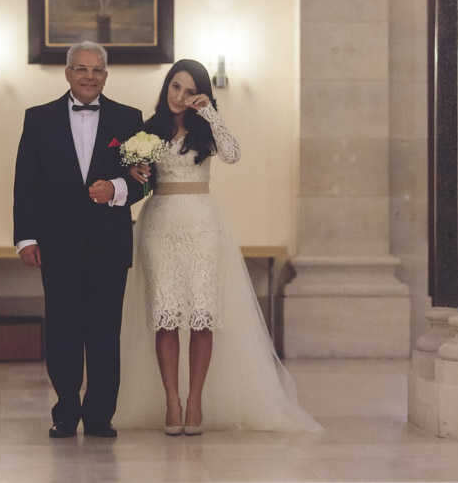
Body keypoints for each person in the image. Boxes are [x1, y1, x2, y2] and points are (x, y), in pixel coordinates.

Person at [115, 59, 323, 435]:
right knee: (165, 316)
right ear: (166, 88)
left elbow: (232, 154)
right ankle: (171, 401)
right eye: (175, 87)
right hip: (159, 223)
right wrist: (132, 170)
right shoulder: (148, 129)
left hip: (203, 226)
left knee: (202, 315)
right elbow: (133, 172)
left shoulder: (205, 129)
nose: (180, 96)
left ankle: (195, 399)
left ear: (201, 94)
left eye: (189, 90)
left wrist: (210, 113)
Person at [13, 41, 145, 438]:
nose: (89, 76)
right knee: (64, 331)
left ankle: (101, 415)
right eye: (81, 69)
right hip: (57, 244)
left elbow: (145, 179)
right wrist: (25, 238)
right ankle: (66, 412)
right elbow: (25, 183)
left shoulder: (128, 118)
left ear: (106, 75)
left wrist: (117, 188)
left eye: (97, 70)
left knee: (105, 332)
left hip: (110, 245)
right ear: (68, 73)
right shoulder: (38, 119)